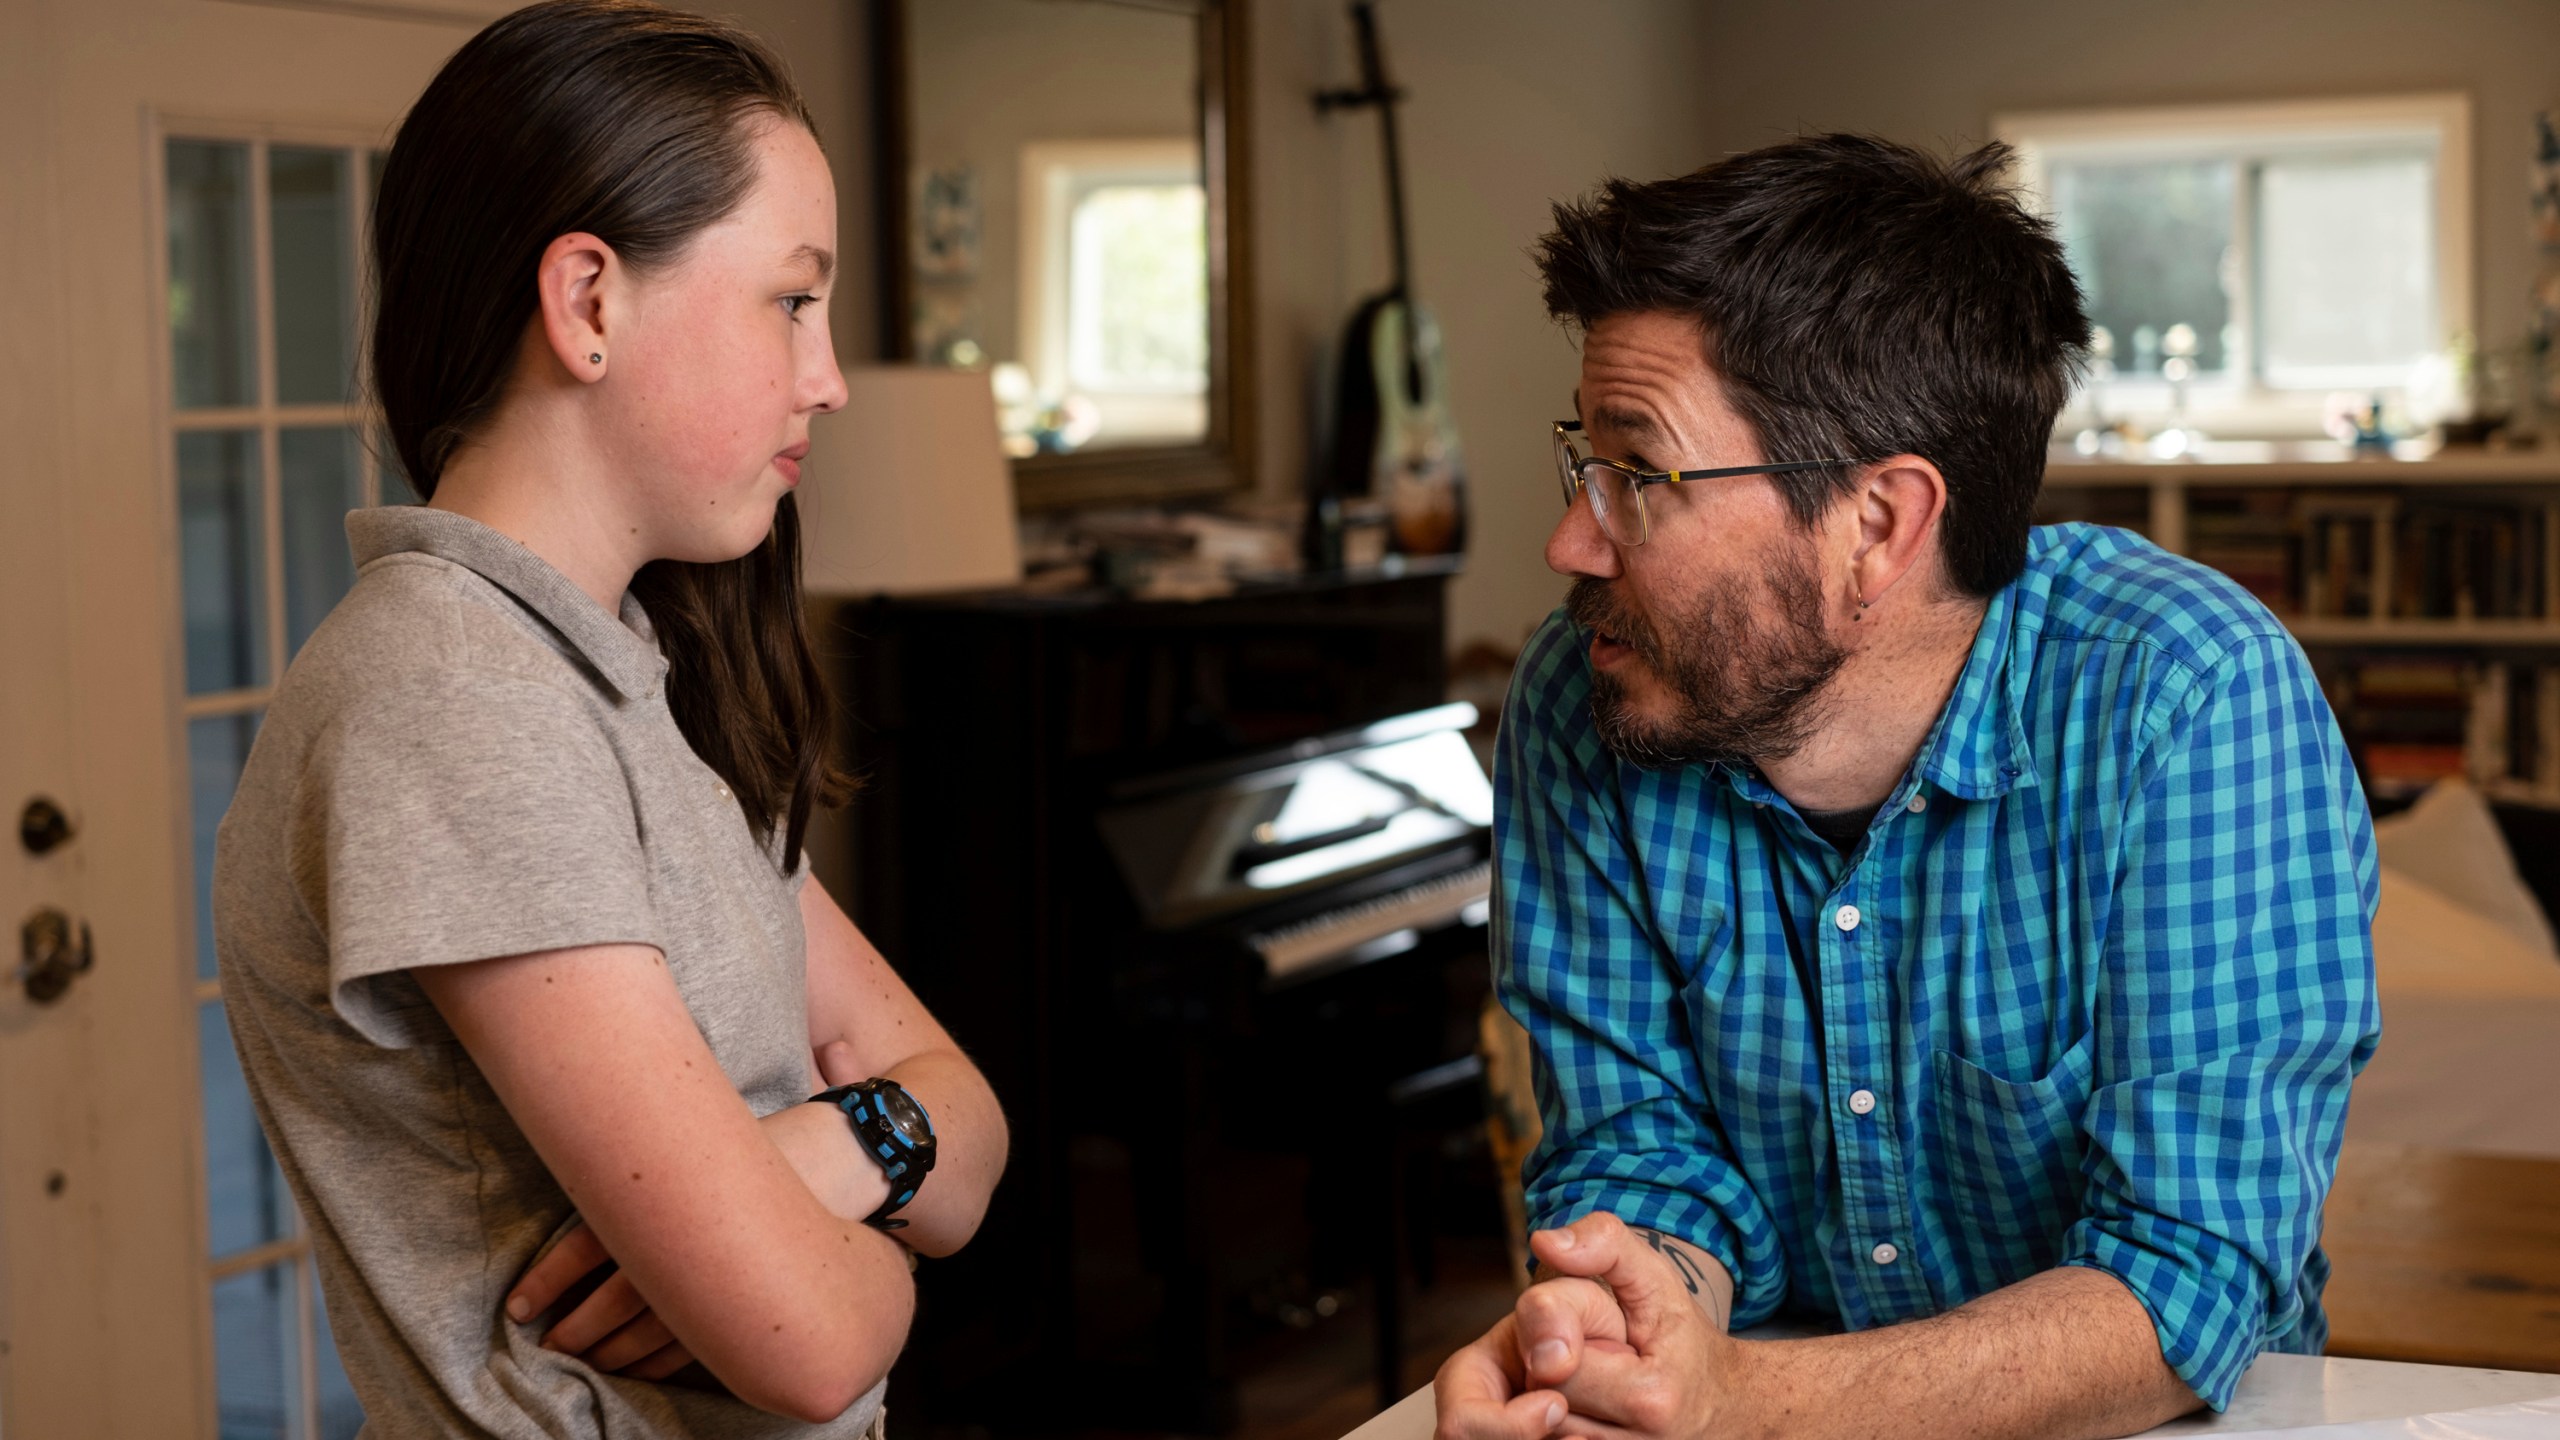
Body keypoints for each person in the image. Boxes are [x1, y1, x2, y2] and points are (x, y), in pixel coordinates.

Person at [1434, 135, 2378, 1440]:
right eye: (1580, 460)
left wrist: (1743, 1401)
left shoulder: (2184, 696)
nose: (1570, 539)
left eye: (1640, 474)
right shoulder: (1586, 693)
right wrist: (1623, 1332)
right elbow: (1643, 1156)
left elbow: (2188, 1276)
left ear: (1877, 525)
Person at [211, 3, 1005, 1434]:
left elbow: (974, 1136)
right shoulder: (458, 701)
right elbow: (818, 1345)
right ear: (588, 302)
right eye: (793, 299)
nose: (825, 376)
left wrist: (833, 1154)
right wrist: (877, 1261)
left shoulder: (619, 676)